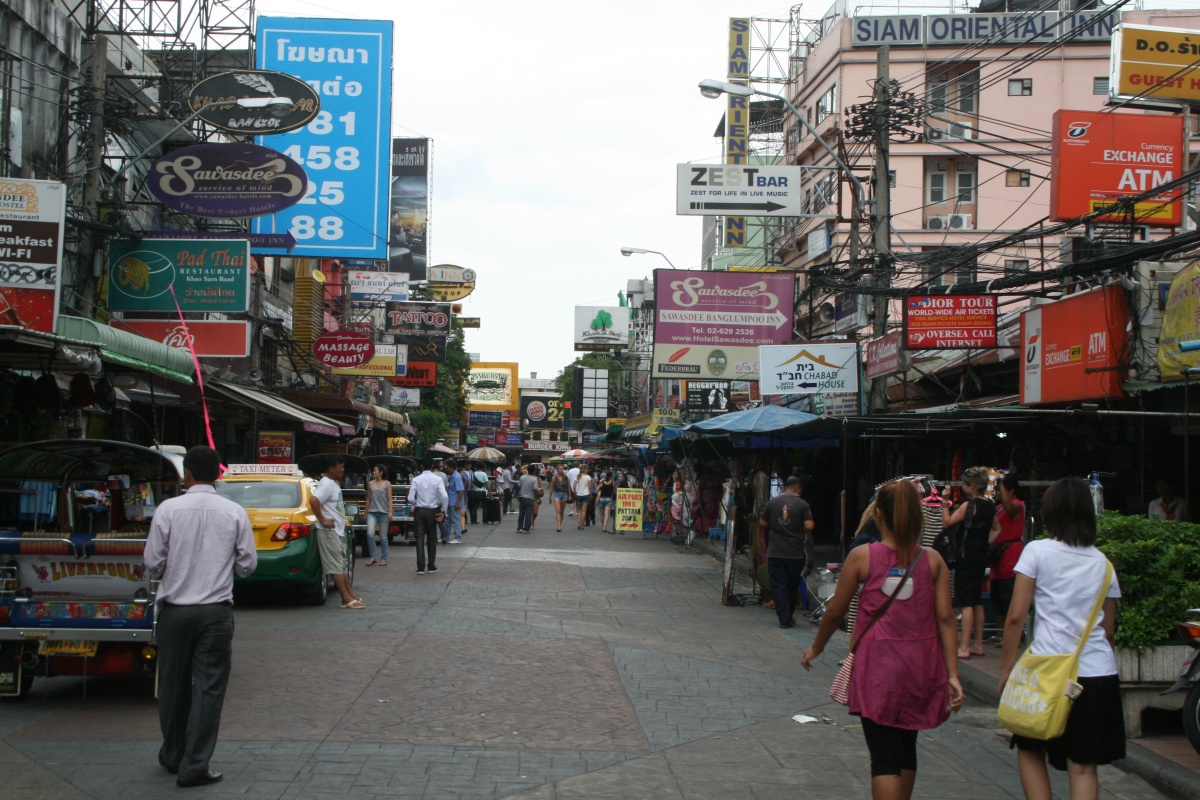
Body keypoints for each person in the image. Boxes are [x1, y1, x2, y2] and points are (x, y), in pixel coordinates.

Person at [802, 480, 963, 800]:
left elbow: (835, 612)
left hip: (877, 669)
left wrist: (816, 648)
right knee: (906, 746)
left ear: (878, 515)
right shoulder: (933, 561)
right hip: (921, 668)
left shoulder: (862, 557)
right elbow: (946, 619)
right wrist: (953, 674)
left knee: (884, 757)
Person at [998, 477, 1124, 800]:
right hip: (1097, 675)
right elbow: (1108, 631)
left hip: (1047, 671)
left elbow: (1016, 616)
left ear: (1050, 512)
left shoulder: (1037, 552)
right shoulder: (1104, 565)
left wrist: (1006, 669)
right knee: (1083, 767)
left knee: (1030, 748)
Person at [144, 446, 257, 788]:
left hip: (174, 611)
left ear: (187, 474)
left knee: (172, 687)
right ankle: (195, 764)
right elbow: (248, 565)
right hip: (215, 613)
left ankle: (173, 754)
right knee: (209, 689)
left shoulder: (168, 509)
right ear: (218, 475)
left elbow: (153, 563)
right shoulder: (234, 512)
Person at [942, 466, 1000, 659]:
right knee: (977, 600)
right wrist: (985, 543)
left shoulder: (970, 505)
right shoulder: (989, 505)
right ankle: (978, 644)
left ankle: (964, 646)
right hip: (980, 557)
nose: (963, 487)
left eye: (965, 484)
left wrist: (945, 502)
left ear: (972, 486)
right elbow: (997, 529)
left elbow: (947, 522)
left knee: (966, 603)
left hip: (966, 558)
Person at [758, 476, 815, 628]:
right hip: (794, 553)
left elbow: (762, 522)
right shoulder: (802, 504)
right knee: (791, 585)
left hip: (775, 551)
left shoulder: (772, 502)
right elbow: (809, 526)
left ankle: (784, 618)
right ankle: (786, 617)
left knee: (779, 585)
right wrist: (798, 526)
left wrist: (775, 524)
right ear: (797, 488)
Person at [309, 454, 365, 609]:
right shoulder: (326, 483)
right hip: (328, 531)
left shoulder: (333, 483)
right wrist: (322, 519)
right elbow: (313, 500)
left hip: (336, 531)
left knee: (342, 565)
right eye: (340, 467)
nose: (342, 470)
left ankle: (350, 594)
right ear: (331, 468)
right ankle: (345, 598)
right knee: (336, 566)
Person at [990, 472, 1026, 642]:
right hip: (997, 557)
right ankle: (1000, 633)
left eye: (1002, 489)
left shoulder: (1017, 505)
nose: (999, 492)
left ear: (1010, 490)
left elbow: (1008, 505)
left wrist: (1001, 483)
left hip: (1010, 556)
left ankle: (1011, 635)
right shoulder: (998, 508)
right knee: (996, 597)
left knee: (1008, 596)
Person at [408, 456, 448, 574]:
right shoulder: (437, 479)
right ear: (432, 466)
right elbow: (445, 496)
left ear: (421, 466)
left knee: (419, 538)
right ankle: (431, 566)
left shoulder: (416, 479)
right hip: (432, 511)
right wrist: (443, 511)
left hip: (419, 511)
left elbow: (410, 498)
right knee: (432, 538)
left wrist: (416, 503)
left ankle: (420, 567)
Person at [364, 464, 392, 566]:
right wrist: (365, 512)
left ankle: (384, 558)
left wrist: (390, 511)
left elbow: (389, 498)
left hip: (384, 512)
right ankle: (373, 556)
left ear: (381, 472)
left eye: (375, 471)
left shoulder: (387, 484)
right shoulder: (370, 484)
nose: (374, 472)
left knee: (383, 536)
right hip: (372, 512)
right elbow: (368, 498)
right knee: (370, 533)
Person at [444, 460, 464, 544]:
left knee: (455, 520)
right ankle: (446, 537)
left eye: (447, 467)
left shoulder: (457, 477)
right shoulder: (452, 476)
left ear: (451, 467)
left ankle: (458, 538)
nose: (446, 469)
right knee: (448, 520)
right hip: (450, 501)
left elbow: (461, 490)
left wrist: (457, 502)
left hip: (454, 501)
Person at [516, 465, 539, 532]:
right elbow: (535, 490)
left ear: (527, 470)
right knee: (528, 514)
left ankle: (520, 527)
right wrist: (538, 498)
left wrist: (518, 495)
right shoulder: (534, 480)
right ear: (534, 471)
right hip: (530, 498)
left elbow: (518, 487)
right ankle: (526, 529)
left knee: (521, 514)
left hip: (522, 498)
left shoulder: (522, 477)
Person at [550, 465, 570, 531]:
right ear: (557, 470)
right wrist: (550, 497)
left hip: (564, 494)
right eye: (560, 469)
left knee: (562, 511)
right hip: (557, 494)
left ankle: (560, 524)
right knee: (558, 510)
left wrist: (570, 495)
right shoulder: (554, 478)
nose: (561, 470)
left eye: (562, 469)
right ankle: (558, 526)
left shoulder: (566, 477)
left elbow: (568, 487)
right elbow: (552, 487)